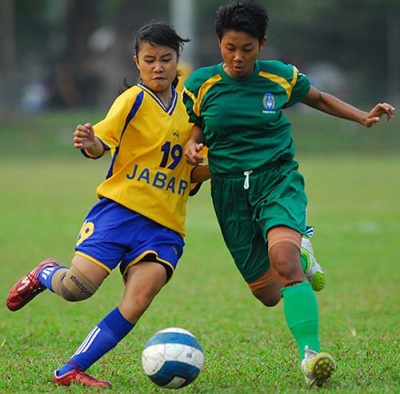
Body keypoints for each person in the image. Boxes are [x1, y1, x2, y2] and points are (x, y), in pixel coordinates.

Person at [183, 0, 395, 388]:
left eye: (247, 49)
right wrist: (192, 147)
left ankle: (311, 357)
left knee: (284, 261)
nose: (237, 57)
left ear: (262, 44)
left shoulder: (279, 78)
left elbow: (318, 98)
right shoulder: (200, 84)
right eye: (230, 48)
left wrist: (362, 115)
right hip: (229, 191)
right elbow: (196, 127)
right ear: (218, 44)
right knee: (267, 293)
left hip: (276, 179)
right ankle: (301, 248)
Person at [6, 21, 210, 388]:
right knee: (77, 289)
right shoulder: (132, 100)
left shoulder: (193, 109)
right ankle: (45, 273)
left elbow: (194, 174)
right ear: (137, 62)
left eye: (166, 58)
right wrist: (89, 141)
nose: (158, 67)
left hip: (165, 225)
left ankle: (70, 367)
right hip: (119, 211)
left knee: (139, 298)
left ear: (178, 60)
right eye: (150, 60)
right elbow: (102, 143)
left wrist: (219, 165)